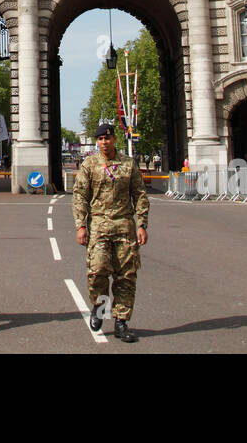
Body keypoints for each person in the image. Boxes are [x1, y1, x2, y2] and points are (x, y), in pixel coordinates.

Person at [73, 121, 149, 343]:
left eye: (107, 138)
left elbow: (140, 194)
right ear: (97, 142)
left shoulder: (128, 163)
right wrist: (80, 225)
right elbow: (79, 196)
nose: (104, 142)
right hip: (98, 226)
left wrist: (142, 224)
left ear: (114, 139)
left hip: (125, 226)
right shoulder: (89, 164)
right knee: (97, 271)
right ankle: (99, 306)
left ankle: (121, 321)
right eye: (100, 139)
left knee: (126, 276)